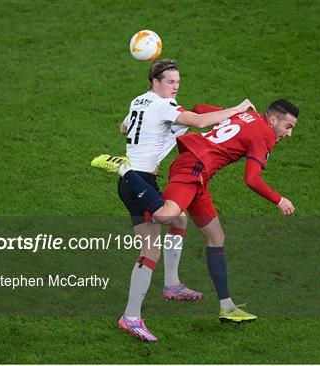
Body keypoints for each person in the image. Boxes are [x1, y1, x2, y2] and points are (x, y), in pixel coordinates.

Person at [92, 98, 299, 328]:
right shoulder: (265, 134)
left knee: (215, 235)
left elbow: (200, 109)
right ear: (273, 119)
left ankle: (226, 306)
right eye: (287, 127)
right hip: (194, 168)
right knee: (165, 215)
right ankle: (124, 169)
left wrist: (232, 111)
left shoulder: (243, 114)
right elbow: (251, 178)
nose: (289, 134)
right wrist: (279, 200)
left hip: (200, 172)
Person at [98, 58, 256, 342]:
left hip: (136, 181)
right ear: (155, 81)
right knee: (150, 251)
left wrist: (164, 131)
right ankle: (131, 317)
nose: (175, 87)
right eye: (170, 82)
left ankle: (171, 284)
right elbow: (199, 121)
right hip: (139, 181)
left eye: (178, 83)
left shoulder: (140, 100)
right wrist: (239, 108)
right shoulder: (163, 105)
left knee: (179, 218)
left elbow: (124, 128)